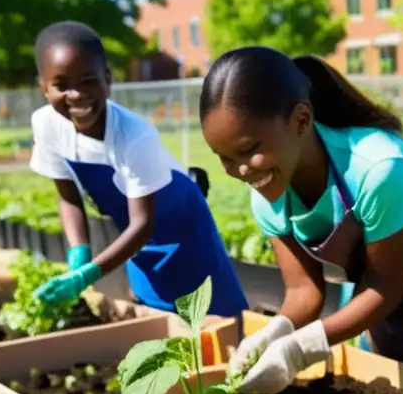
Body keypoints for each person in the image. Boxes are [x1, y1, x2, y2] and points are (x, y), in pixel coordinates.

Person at [200, 47, 403, 394]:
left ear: (301, 121)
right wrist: (277, 331)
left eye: (249, 149)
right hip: (380, 274)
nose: (242, 170)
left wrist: (299, 350)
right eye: (226, 159)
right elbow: (303, 290)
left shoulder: (377, 168)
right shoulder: (267, 194)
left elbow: (385, 288)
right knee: (390, 389)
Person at [28, 21, 248, 317]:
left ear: (108, 79)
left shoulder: (133, 134)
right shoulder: (46, 125)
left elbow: (143, 223)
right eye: (61, 85)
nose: (77, 95)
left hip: (180, 224)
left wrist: (87, 276)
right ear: (43, 86)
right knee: (154, 315)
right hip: (133, 234)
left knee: (214, 314)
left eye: (88, 81)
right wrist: (79, 251)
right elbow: (68, 196)